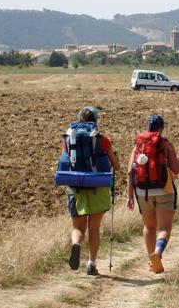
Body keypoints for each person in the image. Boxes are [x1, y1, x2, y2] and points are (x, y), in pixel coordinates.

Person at [126, 115, 179, 274]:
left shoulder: (138, 146)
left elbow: (131, 171)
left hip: (142, 191)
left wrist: (129, 196)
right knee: (164, 227)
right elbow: (176, 170)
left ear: (147, 127)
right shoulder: (165, 144)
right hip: (164, 190)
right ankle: (157, 253)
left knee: (149, 226)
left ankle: (152, 262)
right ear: (161, 128)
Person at [66, 106, 120, 275]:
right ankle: (92, 264)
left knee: (78, 228)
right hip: (98, 187)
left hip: (76, 188)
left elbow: (66, 162)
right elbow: (117, 167)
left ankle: (76, 244)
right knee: (94, 228)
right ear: (95, 121)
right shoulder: (103, 140)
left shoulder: (69, 139)